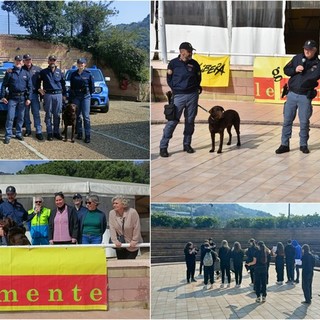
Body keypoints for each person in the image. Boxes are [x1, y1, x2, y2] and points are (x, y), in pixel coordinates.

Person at [276, 40, 320, 154]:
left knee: (304, 122)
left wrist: (304, 70)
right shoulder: (297, 58)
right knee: (287, 120)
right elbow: (286, 70)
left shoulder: (317, 64)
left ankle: (303, 144)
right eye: (305, 49)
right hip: (291, 94)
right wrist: (295, 70)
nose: (307, 51)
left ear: (315, 50)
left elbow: (311, 77)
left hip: (305, 96)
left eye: (309, 50)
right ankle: (284, 144)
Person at [159, 42, 202, 157]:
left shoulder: (195, 64)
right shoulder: (173, 64)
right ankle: (163, 146)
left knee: (190, 120)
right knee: (172, 121)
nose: (191, 53)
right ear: (182, 52)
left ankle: (187, 144)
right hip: (178, 96)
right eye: (189, 51)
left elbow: (198, 78)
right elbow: (169, 79)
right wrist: (176, 89)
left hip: (192, 95)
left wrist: (196, 88)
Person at [0, 55, 32, 144]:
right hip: (12, 98)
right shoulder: (10, 72)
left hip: (22, 98)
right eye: (17, 61)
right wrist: (3, 96)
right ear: (15, 62)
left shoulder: (26, 73)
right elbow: (4, 85)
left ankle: (18, 133)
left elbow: (30, 87)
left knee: (21, 117)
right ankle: (8, 135)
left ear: (22, 62)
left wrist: (29, 98)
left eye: (20, 61)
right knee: (10, 117)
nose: (18, 62)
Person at [37, 55, 66, 141]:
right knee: (48, 114)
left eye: (54, 60)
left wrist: (64, 95)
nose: (52, 61)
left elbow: (63, 84)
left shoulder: (60, 72)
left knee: (57, 114)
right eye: (51, 60)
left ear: (55, 61)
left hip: (58, 94)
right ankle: (49, 132)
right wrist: (39, 89)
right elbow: (37, 81)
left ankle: (56, 132)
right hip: (48, 95)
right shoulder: (43, 72)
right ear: (48, 61)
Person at [109, 195, 143, 259]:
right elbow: (112, 228)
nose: (114, 205)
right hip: (120, 243)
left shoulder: (132, 212)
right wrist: (115, 240)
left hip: (132, 244)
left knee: (130, 262)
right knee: (121, 263)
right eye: (113, 203)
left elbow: (137, 227)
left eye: (116, 203)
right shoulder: (112, 213)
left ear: (123, 204)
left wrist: (134, 240)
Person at [70, 58, 95, 143]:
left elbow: (92, 88)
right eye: (79, 63)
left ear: (85, 64)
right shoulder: (73, 74)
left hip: (85, 96)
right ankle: (79, 133)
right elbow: (71, 87)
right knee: (78, 116)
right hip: (76, 96)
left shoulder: (88, 74)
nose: (80, 65)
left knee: (86, 116)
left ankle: (87, 135)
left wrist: (88, 94)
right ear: (77, 64)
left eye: (82, 63)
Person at [22, 54, 43, 140]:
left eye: (29, 59)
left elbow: (46, 78)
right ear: (24, 61)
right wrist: (9, 70)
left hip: (34, 94)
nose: (28, 61)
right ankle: (28, 130)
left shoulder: (38, 70)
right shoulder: (21, 69)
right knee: (26, 114)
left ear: (31, 60)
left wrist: (42, 90)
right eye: (26, 60)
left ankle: (38, 131)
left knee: (36, 113)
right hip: (25, 95)